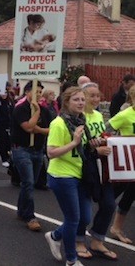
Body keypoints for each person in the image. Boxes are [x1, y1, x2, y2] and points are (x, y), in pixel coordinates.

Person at [44, 87, 91, 266]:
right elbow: (51, 152)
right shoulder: (58, 123)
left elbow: (83, 148)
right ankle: (71, 259)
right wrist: (74, 142)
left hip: (80, 175)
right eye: (76, 100)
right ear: (66, 102)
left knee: (84, 218)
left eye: (82, 99)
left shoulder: (81, 121)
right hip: (62, 176)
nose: (80, 103)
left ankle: (55, 236)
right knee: (73, 219)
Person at [77, 83, 117, 260]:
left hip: (102, 167)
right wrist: (95, 150)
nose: (95, 99)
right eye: (91, 96)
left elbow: (101, 137)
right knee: (83, 211)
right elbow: (78, 144)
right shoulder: (79, 117)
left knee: (109, 204)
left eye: (97, 96)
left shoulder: (99, 115)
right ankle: (77, 241)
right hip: (85, 168)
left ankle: (97, 240)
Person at [11, 81, 51, 231]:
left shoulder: (46, 110)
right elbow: (28, 127)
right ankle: (30, 216)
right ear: (27, 92)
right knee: (28, 182)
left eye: (40, 92)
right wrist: (36, 113)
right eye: (35, 92)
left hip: (37, 150)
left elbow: (51, 129)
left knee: (30, 183)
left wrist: (38, 129)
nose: (38, 95)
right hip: (21, 150)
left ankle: (22, 211)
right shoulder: (20, 109)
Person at [106, 85, 135, 245]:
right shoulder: (125, 115)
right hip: (126, 162)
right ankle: (96, 227)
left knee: (130, 196)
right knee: (112, 196)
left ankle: (116, 228)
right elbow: (106, 129)